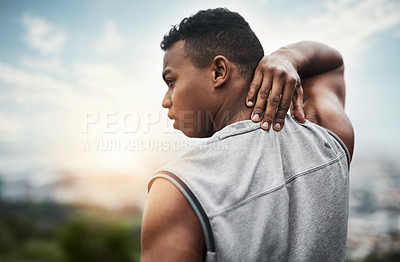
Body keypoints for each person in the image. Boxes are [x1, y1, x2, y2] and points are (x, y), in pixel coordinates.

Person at [141, 8, 354, 262]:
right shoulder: (326, 138)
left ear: (218, 72)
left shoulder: (179, 189)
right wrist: (287, 57)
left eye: (171, 81)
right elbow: (331, 66)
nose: (166, 101)